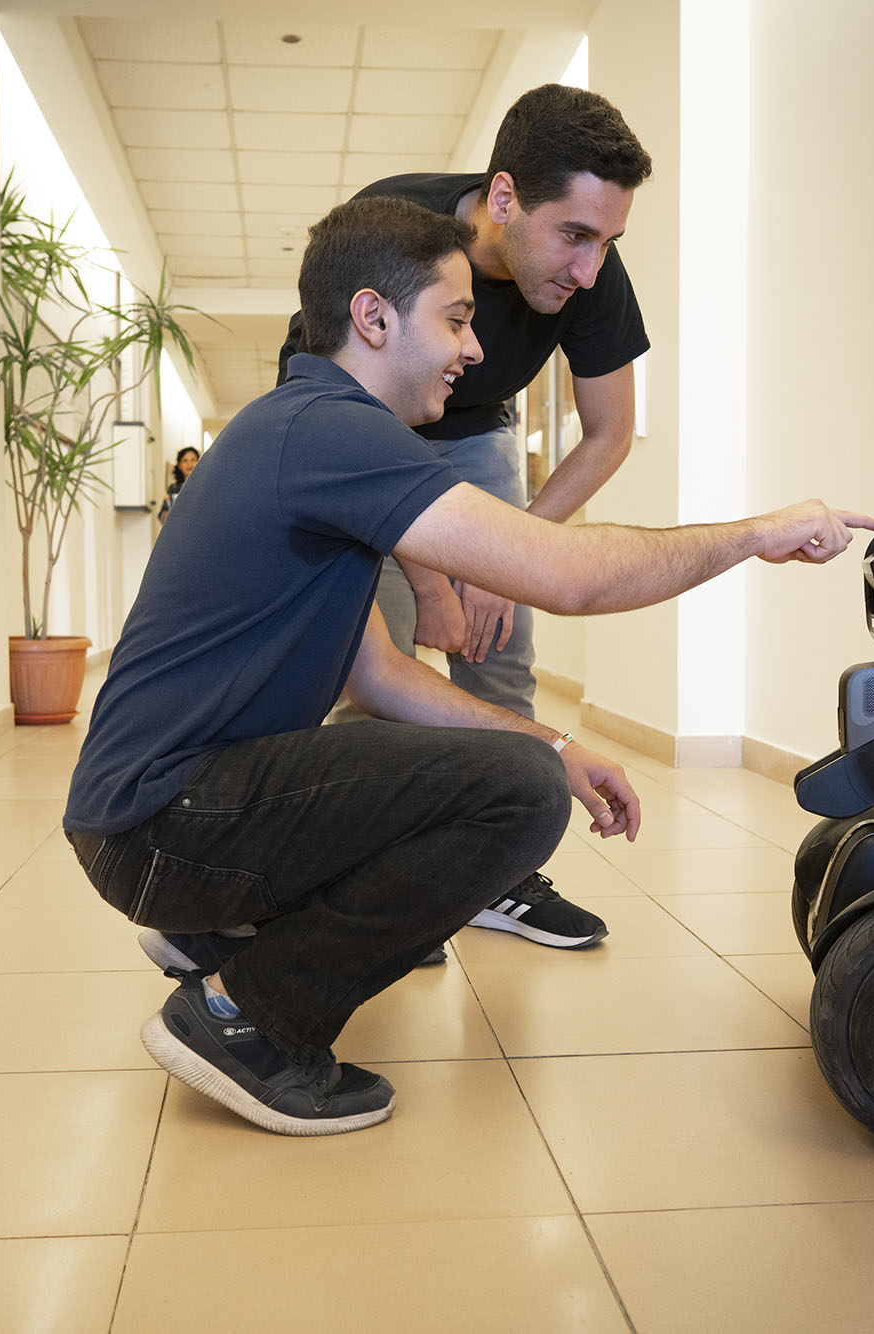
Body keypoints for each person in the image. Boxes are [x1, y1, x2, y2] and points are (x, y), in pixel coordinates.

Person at [62, 195, 874, 1136]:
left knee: (528, 769)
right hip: (163, 821)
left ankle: (217, 932)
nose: (477, 348)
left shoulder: (299, 429)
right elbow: (566, 576)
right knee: (514, 795)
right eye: (455, 320)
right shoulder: (331, 430)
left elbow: (380, 675)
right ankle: (246, 1020)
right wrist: (756, 533)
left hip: (144, 822)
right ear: (373, 319)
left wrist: (553, 740)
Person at [277, 83, 655, 952]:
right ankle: (365, 877)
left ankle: (497, 874)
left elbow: (608, 435)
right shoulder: (390, 232)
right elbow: (352, 424)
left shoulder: (591, 268)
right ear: (505, 198)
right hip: (357, 432)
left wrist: (498, 562)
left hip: (478, 433)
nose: (590, 268)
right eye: (574, 236)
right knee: (378, 657)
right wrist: (432, 570)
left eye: (608, 241)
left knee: (500, 649)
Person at [159, 446, 200, 520]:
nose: (189, 464)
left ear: (200, 463)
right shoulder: (173, 489)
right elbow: (162, 515)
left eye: (193, 460)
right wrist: (168, 516)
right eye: (185, 460)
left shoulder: (204, 487)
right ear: (179, 465)